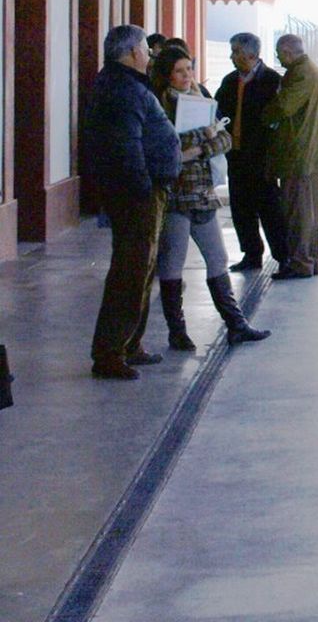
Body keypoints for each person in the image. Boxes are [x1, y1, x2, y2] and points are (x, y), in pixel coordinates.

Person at [149, 48, 270, 348]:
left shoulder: (201, 98)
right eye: (179, 71)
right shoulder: (159, 107)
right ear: (167, 76)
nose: (187, 75)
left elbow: (225, 138)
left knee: (217, 257)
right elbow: (169, 148)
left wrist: (201, 147)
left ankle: (236, 323)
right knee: (172, 263)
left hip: (202, 193)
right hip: (176, 195)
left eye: (189, 69)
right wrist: (203, 138)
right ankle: (177, 331)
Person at [82, 25, 181, 380]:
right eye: (145, 49)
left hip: (143, 192)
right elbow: (126, 147)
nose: (150, 55)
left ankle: (129, 343)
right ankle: (109, 352)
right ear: (132, 53)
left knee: (141, 270)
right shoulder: (122, 88)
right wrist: (142, 193)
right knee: (130, 271)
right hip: (137, 195)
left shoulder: (123, 83)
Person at [264, 34, 318, 281]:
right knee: (308, 210)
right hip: (307, 154)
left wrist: (264, 113)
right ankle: (310, 259)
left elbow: (284, 106)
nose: (278, 59)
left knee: (299, 212)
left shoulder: (301, 73)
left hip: (300, 154)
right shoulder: (307, 69)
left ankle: (301, 262)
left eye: (279, 54)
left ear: (288, 52)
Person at [215, 32, 285, 270]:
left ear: (252, 54)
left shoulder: (272, 80)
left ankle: (282, 255)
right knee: (241, 208)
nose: (232, 56)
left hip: (262, 155)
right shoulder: (229, 81)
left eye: (236, 52)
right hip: (236, 154)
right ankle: (251, 253)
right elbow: (218, 110)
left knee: (269, 207)